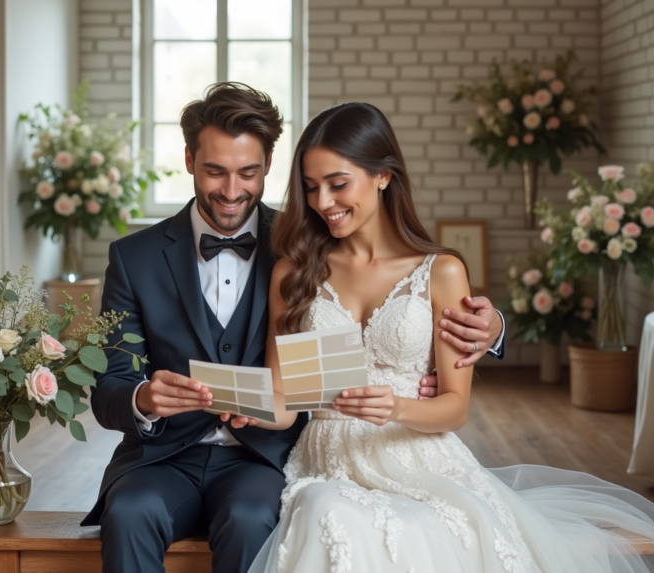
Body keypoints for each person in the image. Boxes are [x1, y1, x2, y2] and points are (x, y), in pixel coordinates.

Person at [242, 102, 654, 573]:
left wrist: (395, 407)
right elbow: (286, 399)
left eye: (338, 184)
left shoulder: (441, 272)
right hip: (329, 461)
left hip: (417, 456)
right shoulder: (293, 275)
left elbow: (455, 408)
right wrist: (244, 408)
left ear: (384, 176)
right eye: (311, 188)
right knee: (328, 510)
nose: (323, 203)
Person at [82, 83, 506, 573]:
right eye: (215, 171)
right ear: (189, 160)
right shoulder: (134, 259)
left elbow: (415, 294)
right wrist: (143, 399)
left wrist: (492, 327)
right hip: (162, 458)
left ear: (267, 167)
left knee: (252, 518)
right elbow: (109, 382)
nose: (232, 190)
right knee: (131, 512)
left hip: (262, 462)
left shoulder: (301, 244)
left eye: (249, 172)